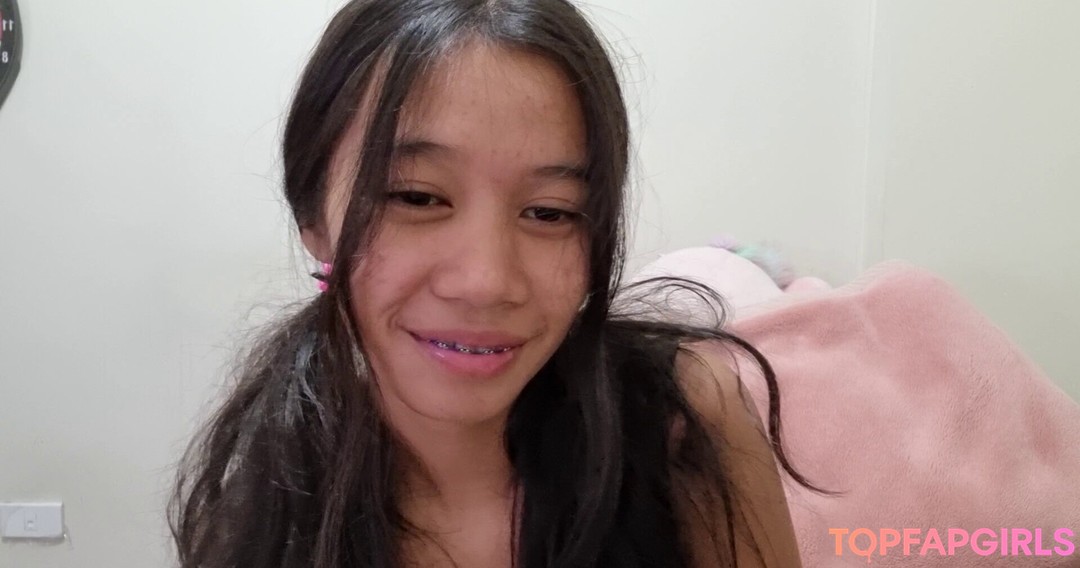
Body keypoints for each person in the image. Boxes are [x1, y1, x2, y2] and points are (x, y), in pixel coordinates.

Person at [170, 1, 830, 566]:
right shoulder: (269, 507)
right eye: (416, 197)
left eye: (550, 212)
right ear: (314, 217)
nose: (487, 282)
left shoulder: (679, 423)